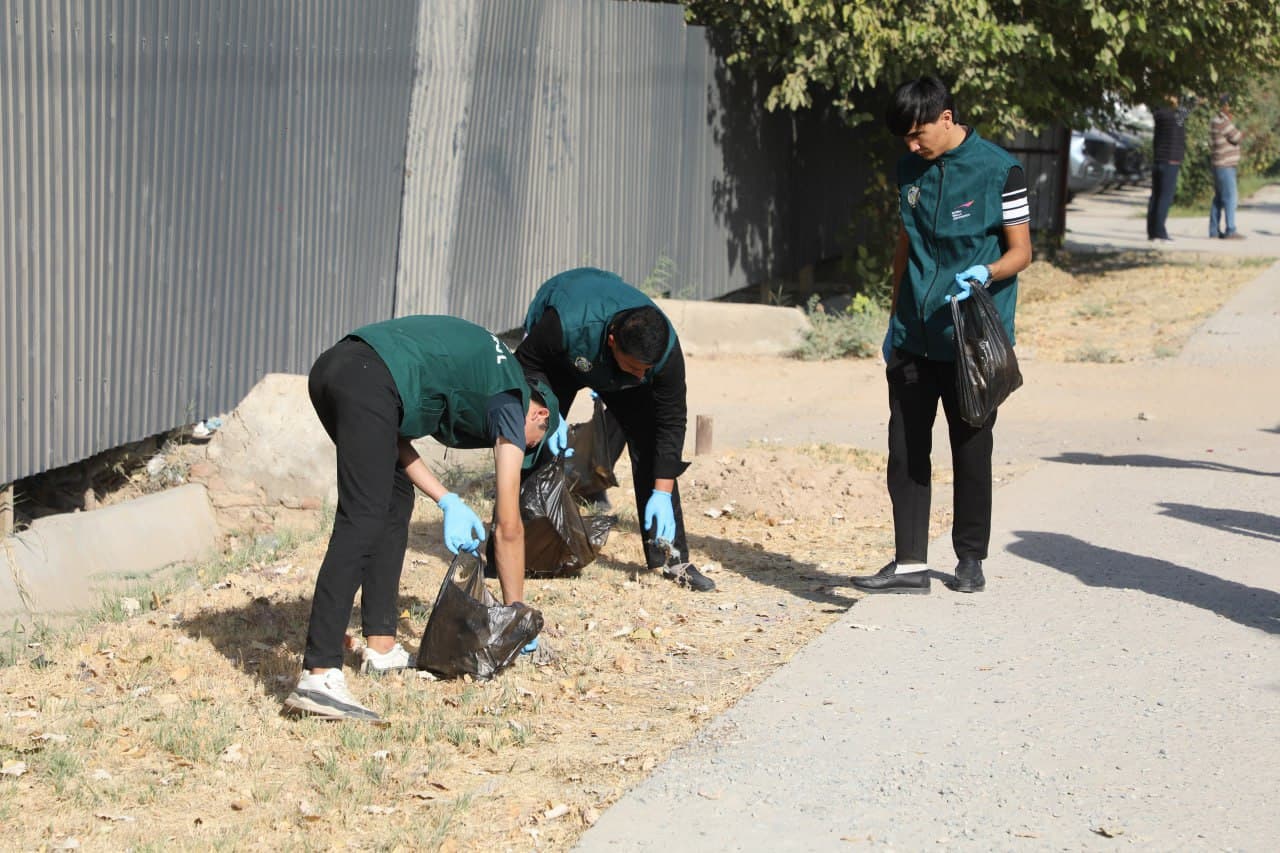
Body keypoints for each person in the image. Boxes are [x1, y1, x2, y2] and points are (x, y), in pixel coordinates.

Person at [284, 315, 559, 722]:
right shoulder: (511, 400)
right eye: (533, 444)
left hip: (341, 369)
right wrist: (517, 615)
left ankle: (380, 647)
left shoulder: (487, 373)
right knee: (362, 516)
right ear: (539, 416)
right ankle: (319, 674)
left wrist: (446, 499)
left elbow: (392, 439)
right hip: (367, 378)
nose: (524, 448)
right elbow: (508, 524)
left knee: (394, 498)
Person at [854, 75, 1031, 595]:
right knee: (906, 448)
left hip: (970, 339)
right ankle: (909, 566)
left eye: (918, 134)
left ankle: (970, 558)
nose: (912, 146)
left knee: (970, 448)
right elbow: (905, 246)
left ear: (946, 118)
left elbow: (1022, 252)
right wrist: (894, 320)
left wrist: (988, 273)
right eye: (905, 139)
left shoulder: (1001, 170)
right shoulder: (909, 168)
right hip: (914, 333)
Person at [515, 267, 715, 593]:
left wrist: (662, 493)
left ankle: (671, 558)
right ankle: (519, 549)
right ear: (612, 342)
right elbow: (525, 362)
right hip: (561, 356)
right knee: (535, 441)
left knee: (651, 445)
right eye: (636, 367)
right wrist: (547, 412)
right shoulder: (562, 324)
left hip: (606, 353)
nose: (641, 376)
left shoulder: (662, 353)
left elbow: (671, 422)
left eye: (646, 370)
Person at [1147, 95, 1188, 242]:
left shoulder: (1159, 114)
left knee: (1155, 196)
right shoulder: (1177, 115)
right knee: (1165, 197)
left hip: (1158, 159)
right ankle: (1160, 231)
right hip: (1171, 160)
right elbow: (1188, 107)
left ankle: (1152, 231)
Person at [1210, 94, 1245, 240]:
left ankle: (1214, 231)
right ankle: (1231, 229)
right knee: (1231, 197)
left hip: (1218, 164)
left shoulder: (1214, 121)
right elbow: (1237, 137)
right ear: (1225, 106)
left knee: (1218, 199)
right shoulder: (1223, 122)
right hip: (1225, 165)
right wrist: (1242, 133)